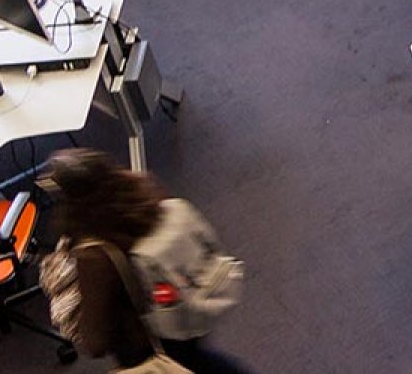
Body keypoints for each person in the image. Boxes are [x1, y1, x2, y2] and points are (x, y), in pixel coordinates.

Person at [41, 149, 258, 374]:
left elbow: (97, 343)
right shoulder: (144, 193)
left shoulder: (94, 251)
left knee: (193, 365)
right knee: (200, 361)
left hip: (147, 342)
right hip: (186, 301)